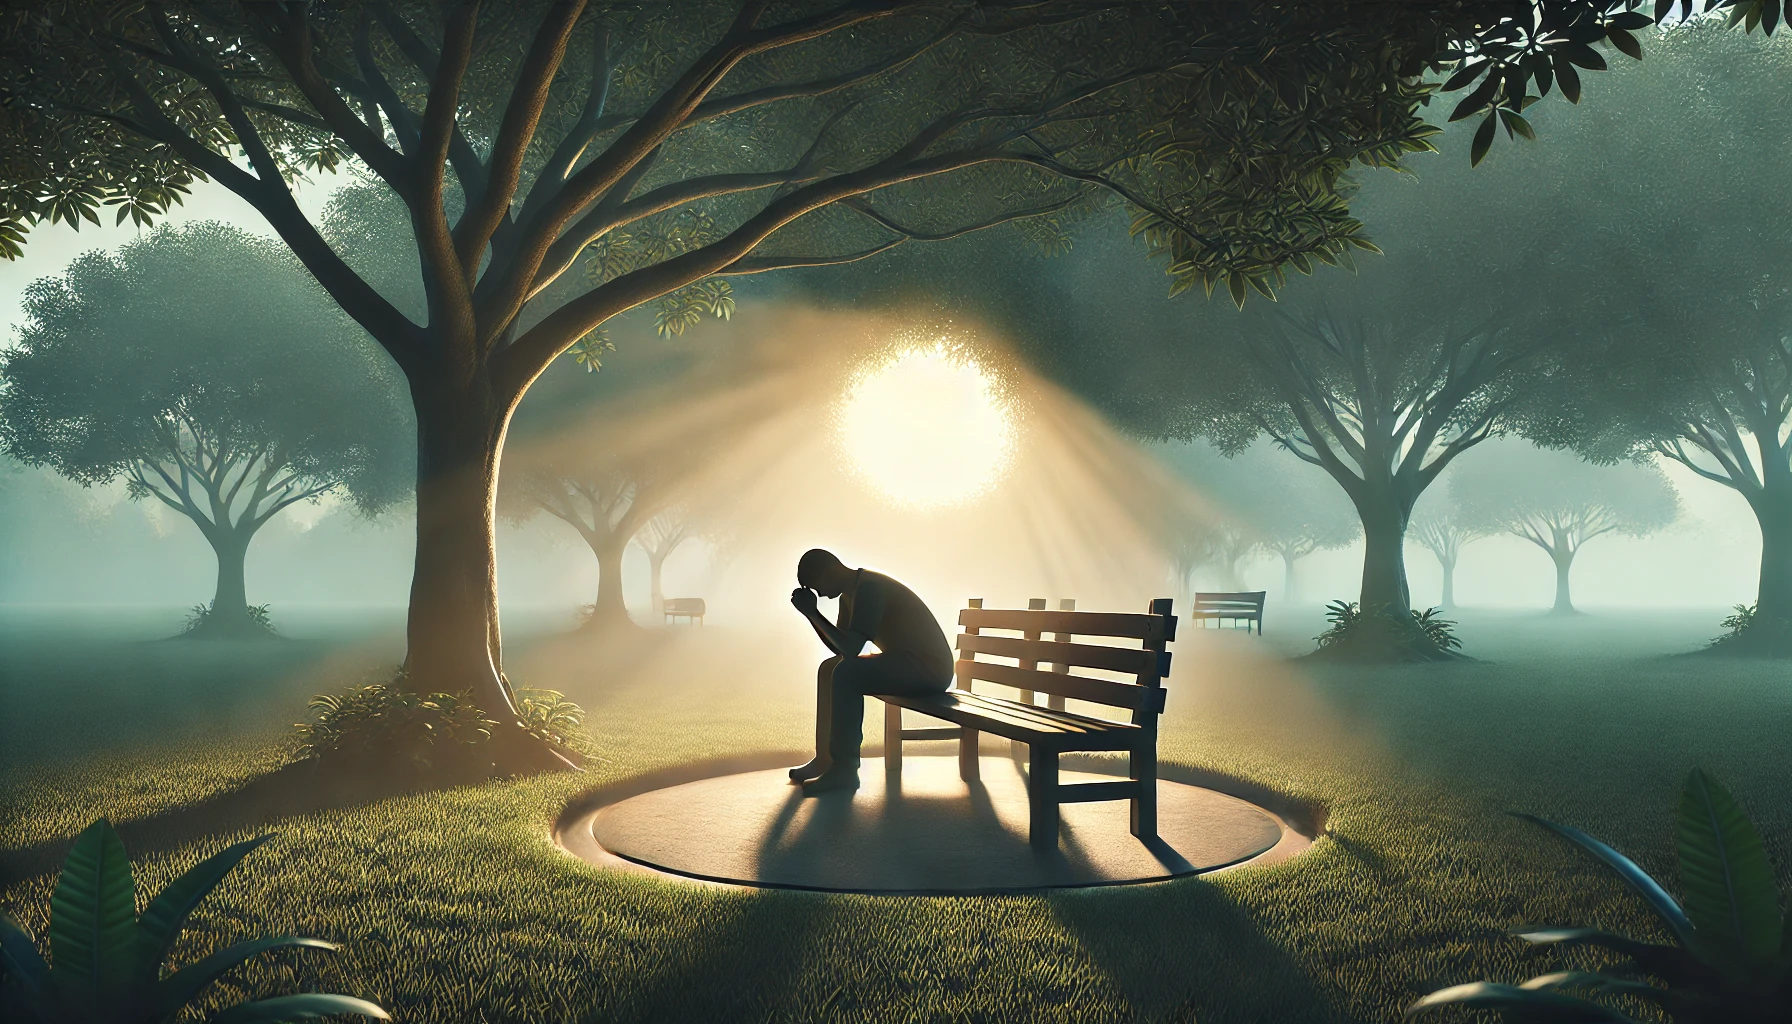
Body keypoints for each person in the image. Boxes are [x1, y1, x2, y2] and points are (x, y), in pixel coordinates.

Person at [788, 548, 955, 794]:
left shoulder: (869, 589)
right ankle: (826, 759)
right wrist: (811, 616)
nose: (819, 594)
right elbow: (840, 649)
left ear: (831, 570)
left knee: (846, 673)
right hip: (905, 661)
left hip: (929, 668)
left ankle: (845, 770)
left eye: (817, 585)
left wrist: (813, 612)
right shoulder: (849, 594)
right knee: (830, 669)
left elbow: (850, 648)